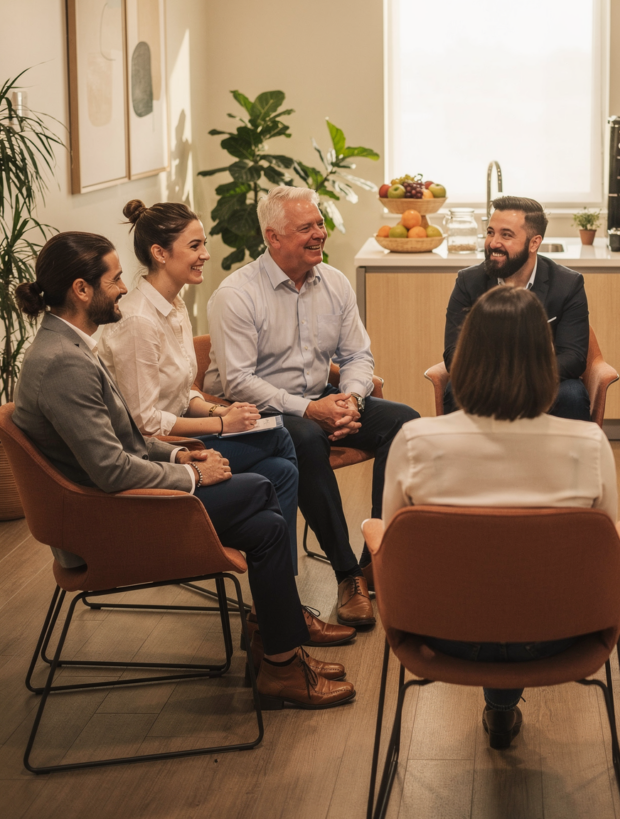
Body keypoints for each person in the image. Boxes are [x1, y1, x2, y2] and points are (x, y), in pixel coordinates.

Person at [12, 232, 357, 709]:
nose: (124, 289)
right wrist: (195, 476)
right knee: (262, 489)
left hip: (113, 500)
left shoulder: (67, 346)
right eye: (114, 279)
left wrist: (180, 456)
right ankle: (280, 649)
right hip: (104, 521)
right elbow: (112, 469)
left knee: (266, 507)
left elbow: (124, 441)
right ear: (81, 289)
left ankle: (278, 651)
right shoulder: (63, 363)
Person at [384, 285, 617, 750]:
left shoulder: (414, 441)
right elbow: (607, 547)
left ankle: (501, 707)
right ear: (544, 359)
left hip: (442, 630)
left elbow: (390, 543)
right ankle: (504, 707)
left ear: (465, 357)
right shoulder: (589, 446)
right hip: (559, 631)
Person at [204, 186, 419, 628]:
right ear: (273, 238)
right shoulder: (237, 295)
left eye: (319, 223)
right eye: (306, 228)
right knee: (299, 435)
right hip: (252, 412)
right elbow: (238, 381)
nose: (319, 233)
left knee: (406, 424)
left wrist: (353, 402)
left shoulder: (334, 283)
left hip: (324, 400)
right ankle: (345, 573)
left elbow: (358, 355)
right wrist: (310, 411)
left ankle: (373, 559)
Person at [98, 200, 305, 577]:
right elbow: (145, 422)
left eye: (203, 244)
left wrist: (217, 410)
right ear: (160, 253)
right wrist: (221, 426)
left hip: (179, 435)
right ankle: (281, 596)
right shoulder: (138, 322)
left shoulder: (173, 304)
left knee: (281, 469)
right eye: (195, 246)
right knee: (280, 438)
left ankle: (275, 598)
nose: (205, 255)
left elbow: (180, 392)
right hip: (155, 454)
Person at [442, 196, 591, 421]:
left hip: (543, 378)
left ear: (534, 243)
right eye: (491, 232)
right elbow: (454, 353)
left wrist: (523, 379)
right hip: (485, 378)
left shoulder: (567, 284)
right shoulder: (468, 282)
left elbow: (574, 356)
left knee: (572, 395)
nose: (493, 243)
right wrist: (498, 380)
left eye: (506, 235)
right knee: (454, 392)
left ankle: (568, 456)